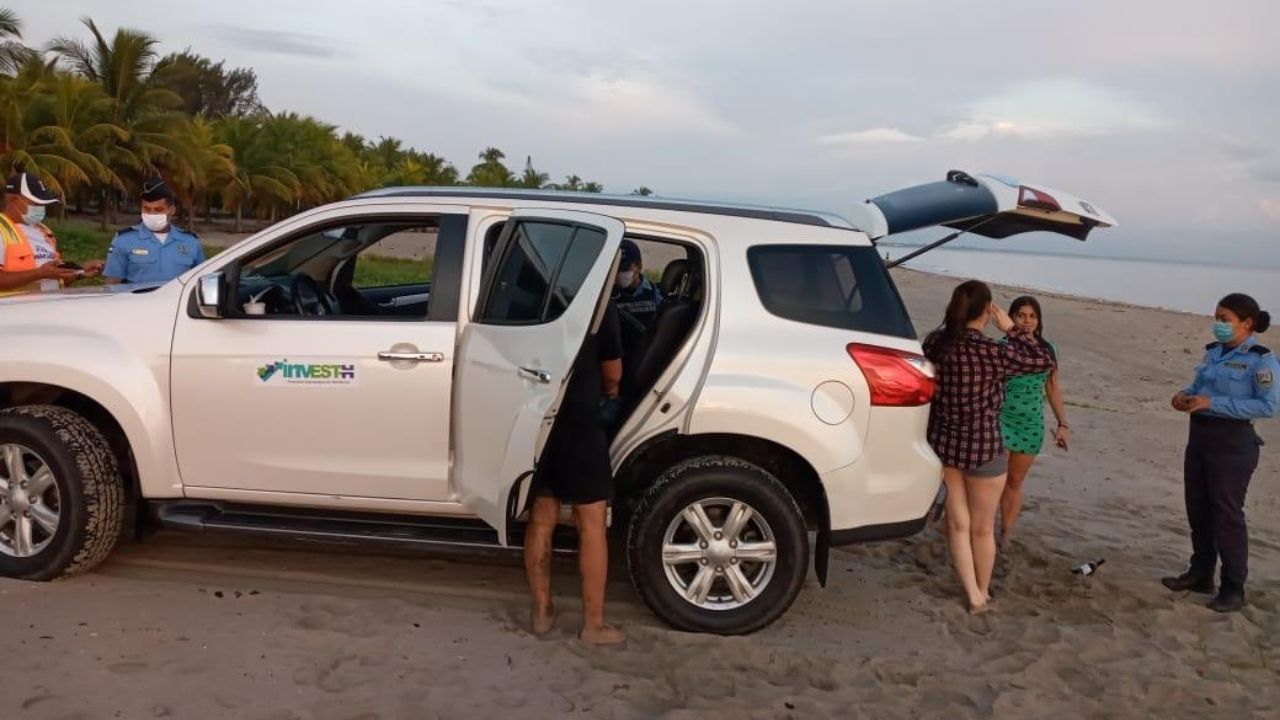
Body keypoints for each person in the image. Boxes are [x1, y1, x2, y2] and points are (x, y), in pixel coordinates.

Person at [924, 280, 1056, 614]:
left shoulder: (936, 343)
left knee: (958, 524)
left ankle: (972, 592)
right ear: (987, 311)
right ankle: (982, 590)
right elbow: (1042, 360)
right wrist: (1013, 330)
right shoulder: (992, 351)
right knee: (982, 529)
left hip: (945, 443)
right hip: (983, 445)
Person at [1162, 293, 1278, 613]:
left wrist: (1214, 404)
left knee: (1227, 514)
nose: (1218, 325)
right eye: (1216, 318)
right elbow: (1199, 386)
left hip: (1233, 442)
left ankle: (1233, 586)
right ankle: (1201, 574)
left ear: (1247, 323)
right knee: (1198, 509)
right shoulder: (1213, 353)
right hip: (1200, 436)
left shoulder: (1261, 359)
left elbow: (1268, 405)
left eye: (1225, 320)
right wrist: (1184, 396)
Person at [524, 299, 626, 645]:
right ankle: (593, 626)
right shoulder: (598, 300)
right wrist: (610, 394)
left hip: (539, 416)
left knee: (541, 517)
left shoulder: (536, 293)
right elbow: (612, 373)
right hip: (582, 422)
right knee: (592, 523)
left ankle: (541, 613)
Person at [998, 296, 1069, 548]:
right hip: (1001, 419)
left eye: (1032, 316)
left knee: (1015, 482)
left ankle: (1006, 533)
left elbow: (1052, 387)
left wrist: (1063, 424)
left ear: (1039, 321)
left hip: (1031, 424)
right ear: (1011, 318)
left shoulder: (1048, 349)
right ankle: (982, 528)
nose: (1027, 321)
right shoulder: (1003, 346)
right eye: (1021, 315)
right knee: (994, 478)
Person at [0, 170, 103, 295]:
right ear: (13, 200)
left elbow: (52, 279)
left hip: (47, 308)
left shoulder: (43, 231)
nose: (40, 208)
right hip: (13, 310)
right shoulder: (2, 230)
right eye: (36, 203)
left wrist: (79, 272)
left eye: (43, 204)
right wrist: (39, 273)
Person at [103, 175, 205, 284]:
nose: (151, 214)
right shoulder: (124, 240)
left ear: (172, 210)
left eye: (158, 209)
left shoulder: (190, 241)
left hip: (175, 301)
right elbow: (112, 284)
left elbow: (202, 280)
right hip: (138, 300)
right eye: (147, 209)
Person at [612, 239, 662, 398]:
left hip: (642, 363)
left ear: (639, 268)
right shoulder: (608, 294)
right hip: (615, 360)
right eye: (616, 268)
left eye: (625, 269)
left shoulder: (656, 295)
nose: (619, 274)